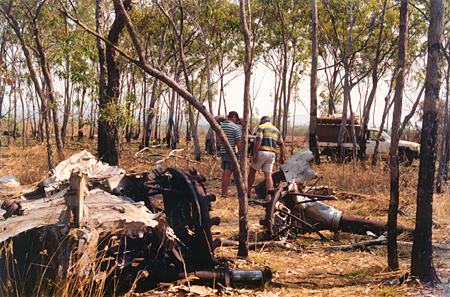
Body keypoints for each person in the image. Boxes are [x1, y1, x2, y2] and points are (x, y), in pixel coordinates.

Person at [248, 116, 285, 200]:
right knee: (268, 176)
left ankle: (247, 192)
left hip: (261, 152)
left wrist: (255, 153)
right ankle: (269, 196)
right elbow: (282, 144)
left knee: (252, 172)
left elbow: (258, 140)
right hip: (272, 154)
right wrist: (282, 156)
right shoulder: (276, 130)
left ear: (262, 121)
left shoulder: (261, 127)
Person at [218, 111, 242, 197]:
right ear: (234, 117)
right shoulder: (235, 128)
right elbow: (239, 143)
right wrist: (240, 156)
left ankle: (228, 191)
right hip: (231, 153)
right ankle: (224, 193)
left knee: (228, 171)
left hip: (223, 152)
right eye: (236, 119)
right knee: (227, 172)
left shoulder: (221, 126)